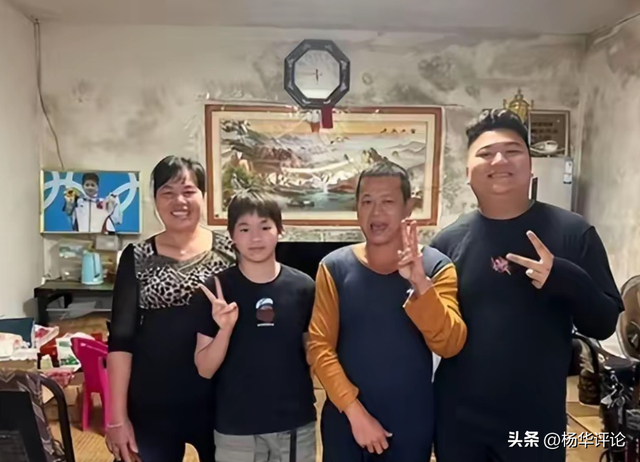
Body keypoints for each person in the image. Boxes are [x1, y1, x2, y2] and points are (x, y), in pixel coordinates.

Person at [431, 109, 624, 462]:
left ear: (531, 165)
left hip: (535, 420)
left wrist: (564, 277)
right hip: (459, 421)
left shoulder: (573, 232)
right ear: (467, 171)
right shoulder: (447, 242)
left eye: (512, 151)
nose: (499, 160)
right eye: (486, 153)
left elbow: (604, 322)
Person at [307, 161, 467, 462]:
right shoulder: (334, 267)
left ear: (408, 207)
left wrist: (420, 283)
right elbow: (320, 348)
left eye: (388, 202)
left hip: (410, 423)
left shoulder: (436, 267)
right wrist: (356, 414)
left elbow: (450, 344)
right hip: (347, 421)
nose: (376, 212)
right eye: (367, 201)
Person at [105, 156, 235, 462]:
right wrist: (117, 418)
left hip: (221, 403)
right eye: (168, 192)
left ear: (204, 196)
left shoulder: (230, 252)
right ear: (155, 200)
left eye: (189, 191)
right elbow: (121, 340)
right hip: (152, 403)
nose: (179, 201)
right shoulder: (136, 256)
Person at [192, 191, 317, 462]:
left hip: (294, 424)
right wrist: (225, 329)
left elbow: (313, 355)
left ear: (280, 231)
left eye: (265, 227)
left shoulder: (304, 287)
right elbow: (205, 368)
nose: (255, 238)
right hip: (236, 429)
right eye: (245, 229)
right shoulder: (216, 291)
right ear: (232, 236)